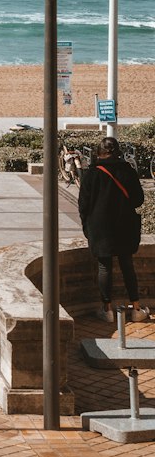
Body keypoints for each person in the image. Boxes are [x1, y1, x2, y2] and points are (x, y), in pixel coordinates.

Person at [78, 137, 149, 323]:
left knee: (104, 267)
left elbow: (83, 205)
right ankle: (136, 308)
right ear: (118, 152)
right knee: (127, 265)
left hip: (100, 227)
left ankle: (107, 310)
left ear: (98, 153)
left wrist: (87, 225)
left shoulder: (91, 174)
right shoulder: (128, 171)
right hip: (124, 225)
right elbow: (138, 200)